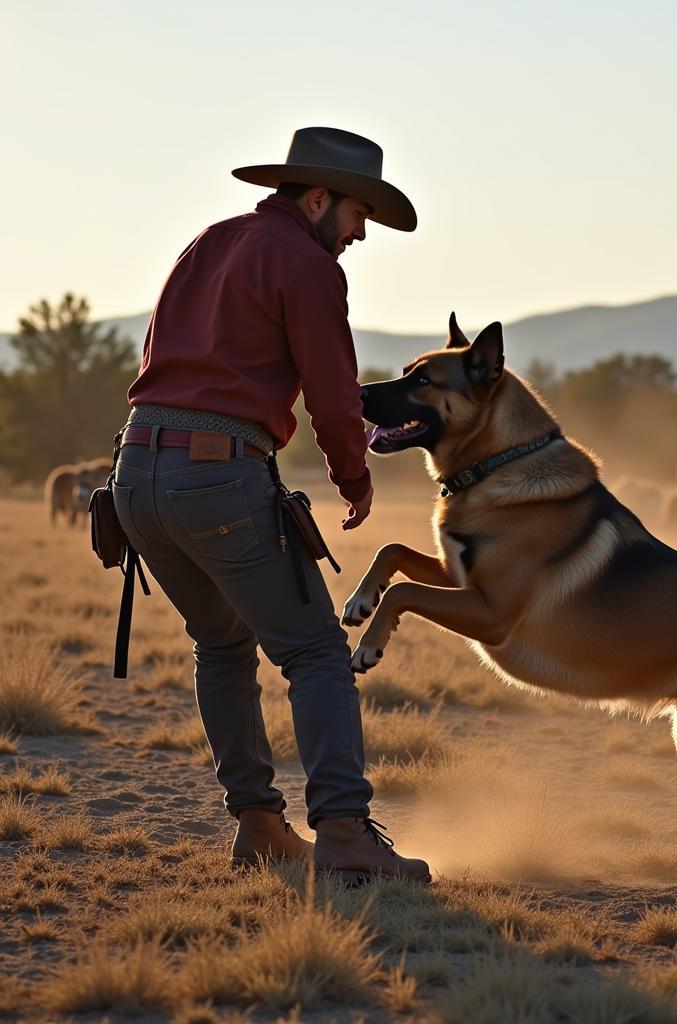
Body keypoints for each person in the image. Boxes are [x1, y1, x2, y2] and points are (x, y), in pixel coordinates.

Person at [112, 126, 429, 881]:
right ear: (318, 199)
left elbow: (164, 359)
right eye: (357, 215)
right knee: (316, 651)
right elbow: (330, 388)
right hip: (217, 474)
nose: (358, 234)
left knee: (220, 648)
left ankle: (258, 826)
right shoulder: (308, 265)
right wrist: (354, 475)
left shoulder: (209, 242)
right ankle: (345, 836)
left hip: (135, 471)